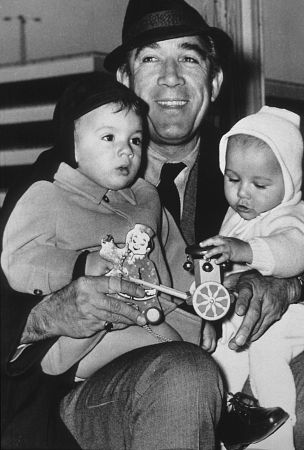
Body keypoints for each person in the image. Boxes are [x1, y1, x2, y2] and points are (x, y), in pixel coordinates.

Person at [1, 0, 303, 449]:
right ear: (124, 81)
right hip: (93, 391)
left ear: (214, 81)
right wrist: (48, 314)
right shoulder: (61, 177)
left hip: (244, 369)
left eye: (188, 57)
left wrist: (287, 286)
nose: (170, 77)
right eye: (150, 58)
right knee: (184, 377)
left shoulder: (258, 169)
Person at [2, 73, 196, 380]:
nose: (127, 150)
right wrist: (81, 265)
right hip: (84, 339)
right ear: (73, 145)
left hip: (151, 311)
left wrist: (198, 304)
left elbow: (176, 257)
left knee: (209, 340)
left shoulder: (145, 200)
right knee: (178, 354)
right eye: (109, 138)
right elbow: (20, 259)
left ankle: (229, 405)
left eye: (135, 139)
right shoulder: (49, 195)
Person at [200, 106, 304, 449]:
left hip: (288, 321)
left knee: (266, 354)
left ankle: (275, 435)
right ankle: (226, 420)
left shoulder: (289, 213)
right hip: (244, 317)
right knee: (219, 357)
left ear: (289, 181)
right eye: (233, 179)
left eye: (260, 184)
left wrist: (244, 250)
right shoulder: (236, 215)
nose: (243, 193)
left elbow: (293, 252)